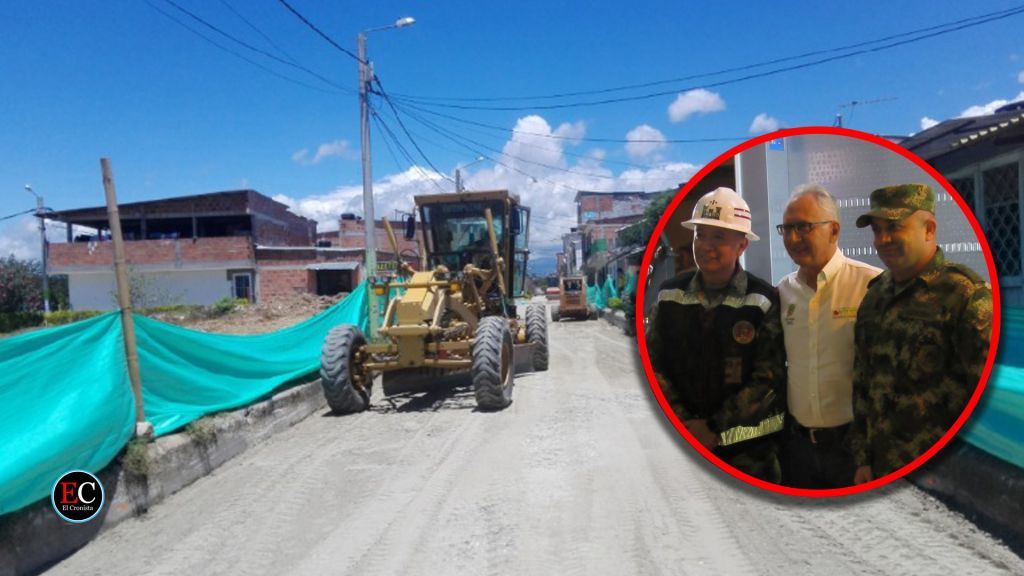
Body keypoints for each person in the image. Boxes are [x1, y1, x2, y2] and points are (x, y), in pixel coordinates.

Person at [850, 183, 993, 483]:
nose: (882, 240)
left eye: (894, 227)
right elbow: (863, 382)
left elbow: (987, 399)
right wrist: (863, 458)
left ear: (929, 229)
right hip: (882, 471)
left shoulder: (965, 295)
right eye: (876, 230)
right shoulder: (875, 298)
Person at [646, 187, 786, 483]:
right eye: (700, 235)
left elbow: (768, 377)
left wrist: (712, 427)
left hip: (747, 454)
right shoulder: (670, 294)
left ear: (742, 246)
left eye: (719, 237)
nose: (706, 245)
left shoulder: (762, 300)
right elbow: (654, 364)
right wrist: (685, 422)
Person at [775, 185, 881, 488]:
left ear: (833, 231)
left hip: (854, 449)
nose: (793, 238)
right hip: (797, 449)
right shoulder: (782, 293)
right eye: (787, 229)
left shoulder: (871, 285)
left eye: (804, 227)